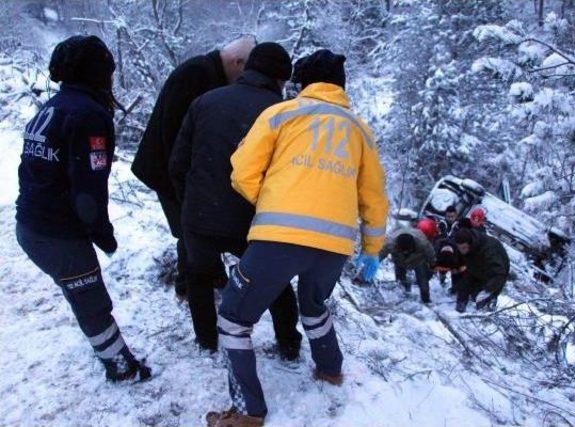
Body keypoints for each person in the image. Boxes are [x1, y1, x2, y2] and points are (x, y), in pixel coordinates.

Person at [206, 49, 388, 426]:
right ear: (341, 86)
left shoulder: (281, 114)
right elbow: (374, 197)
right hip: (334, 246)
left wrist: (271, 202)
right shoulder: (360, 131)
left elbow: (241, 171)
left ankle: (247, 411)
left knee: (233, 319)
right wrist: (372, 250)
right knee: (314, 305)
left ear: (301, 83)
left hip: (278, 240)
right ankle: (330, 368)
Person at [15, 35, 150, 382]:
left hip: (30, 224)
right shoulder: (88, 115)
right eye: (108, 71)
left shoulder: (53, 106)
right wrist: (101, 233)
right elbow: (88, 189)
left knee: (81, 294)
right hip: (57, 233)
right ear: (97, 73)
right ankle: (122, 369)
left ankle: (115, 357)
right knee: (91, 300)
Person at [169, 42, 302, 357]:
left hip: (199, 215)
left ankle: (207, 342)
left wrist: (189, 204)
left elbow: (177, 163)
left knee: (199, 278)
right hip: (253, 219)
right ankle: (289, 344)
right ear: (281, 79)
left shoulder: (204, 101)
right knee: (274, 281)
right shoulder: (283, 115)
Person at [131, 36, 256, 298]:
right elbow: (173, 131)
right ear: (237, 61)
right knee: (189, 229)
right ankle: (190, 286)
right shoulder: (196, 74)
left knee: (191, 230)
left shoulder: (207, 73)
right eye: (245, 71)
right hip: (164, 167)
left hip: (173, 167)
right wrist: (186, 181)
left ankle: (204, 279)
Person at [454, 228, 510, 313]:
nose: (461, 251)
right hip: (477, 266)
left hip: (494, 273)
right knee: (464, 282)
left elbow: (500, 274)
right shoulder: (467, 245)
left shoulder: (489, 250)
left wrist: (487, 290)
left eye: (463, 248)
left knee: (480, 299)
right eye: (459, 248)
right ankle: (462, 302)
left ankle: (491, 299)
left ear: (470, 244)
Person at [379, 228, 435, 303]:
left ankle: (426, 299)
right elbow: (380, 254)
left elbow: (431, 255)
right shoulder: (390, 244)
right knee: (400, 278)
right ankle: (403, 294)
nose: (405, 253)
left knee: (422, 279)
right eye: (403, 251)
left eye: (407, 251)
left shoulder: (423, 244)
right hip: (399, 260)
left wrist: (432, 267)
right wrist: (374, 263)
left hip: (418, 260)